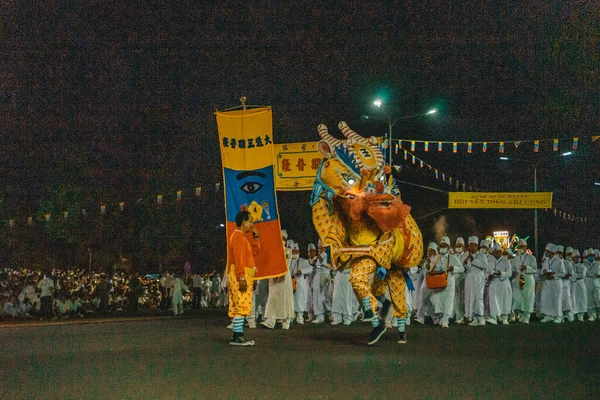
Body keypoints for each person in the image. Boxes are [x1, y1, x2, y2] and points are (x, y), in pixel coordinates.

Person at [227, 211, 260, 346]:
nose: (252, 224)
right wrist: (241, 278)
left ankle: (237, 334)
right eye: (250, 221)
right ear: (243, 222)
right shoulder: (238, 237)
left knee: (240, 305)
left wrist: (256, 237)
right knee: (241, 305)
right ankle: (237, 336)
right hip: (240, 275)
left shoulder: (242, 237)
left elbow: (254, 252)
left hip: (243, 274)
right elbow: (239, 260)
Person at [261, 231, 295, 330]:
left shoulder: (287, 251)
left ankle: (286, 321)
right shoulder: (272, 251)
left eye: (283, 239)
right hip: (273, 278)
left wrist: (278, 274)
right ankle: (270, 321)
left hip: (283, 278)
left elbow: (286, 264)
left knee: (285, 299)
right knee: (272, 298)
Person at [428, 236, 464, 328]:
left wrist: (454, 268)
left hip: (448, 283)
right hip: (437, 283)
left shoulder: (453, 258)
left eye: (444, 246)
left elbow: (462, 268)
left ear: (448, 247)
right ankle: (439, 316)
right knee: (437, 300)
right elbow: (430, 268)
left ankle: (445, 319)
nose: (442, 247)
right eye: (441, 246)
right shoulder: (436, 258)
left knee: (448, 301)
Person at [510, 239, 537, 324]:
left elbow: (535, 269)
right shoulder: (516, 258)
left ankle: (526, 317)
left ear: (525, 247)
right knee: (518, 299)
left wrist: (526, 268)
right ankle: (521, 315)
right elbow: (513, 268)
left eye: (522, 247)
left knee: (528, 299)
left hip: (528, 280)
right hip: (518, 279)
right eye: (519, 247)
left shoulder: (531, 257)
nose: (520, 248)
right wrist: (513, 272)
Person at [486, 242, 512, 325]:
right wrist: (489, 276)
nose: (495, 254)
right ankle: (494, 317)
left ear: (500, 252)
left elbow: (509, 273)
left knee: (504, 300)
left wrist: (501, 274)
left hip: (503, 283)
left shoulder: (506, 262)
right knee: (493, 300)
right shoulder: (490, 262)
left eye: (497, 252)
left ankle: (504, 318)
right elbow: (486, 273)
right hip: (493, 283)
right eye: (494, 252)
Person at [465, 236, 488, 326]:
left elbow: (485, 266)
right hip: (470, 279)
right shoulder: (468, 256)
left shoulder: (482, 256)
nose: (470, 247)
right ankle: (474, 317)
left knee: (478, 298)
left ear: (476, 245)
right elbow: (468, 269)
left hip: (478, 279)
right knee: (471, 298)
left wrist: (473, 261)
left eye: (471, 245)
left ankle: (481, 318)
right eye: (469, 245)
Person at [540, 243, 565, 323]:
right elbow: (542, 271)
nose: (545, 253)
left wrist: (554, 276)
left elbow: (563, 273)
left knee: (556, 300)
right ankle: (548, 315)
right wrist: (544, 272)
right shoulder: (546, 261)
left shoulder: (559, 261)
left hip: (556, 283)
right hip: (547, 283)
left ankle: (558, 316)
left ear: (551, 252)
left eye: (547, 251)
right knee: (546, 299)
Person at [289, 242, 313, 324]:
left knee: (299, 300)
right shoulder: (288, 261)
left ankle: (300, 318)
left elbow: (310, 268)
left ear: (299, 252)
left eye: (296, 251)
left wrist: (302, 271)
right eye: (293, 251)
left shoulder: (303, 261)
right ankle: (291, 317)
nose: (294, 253)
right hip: (290, 282)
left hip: (300, 281)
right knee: (290, 300)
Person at [415, 242, 438, 325]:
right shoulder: (427, 259)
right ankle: (420, 317)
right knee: (422, 300)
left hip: (434, 283)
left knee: (434, 301)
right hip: (425, 282)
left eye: (431, 251)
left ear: (435, 251)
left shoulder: (437, 259)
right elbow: (425, 270)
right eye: (428, 251)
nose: (429, 253)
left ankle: (435, 318)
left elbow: (432, 269)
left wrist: (428, 263)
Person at [309, 242, 332, 324]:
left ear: (325, 248)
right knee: (317, 296)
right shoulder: (317, 257)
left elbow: (330, 266)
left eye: (321, 248)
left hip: (324, 276)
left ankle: (328, 313)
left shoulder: (327, 256)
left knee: (323, 297)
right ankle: (321, 315)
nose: (319, 250)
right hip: (317, 276)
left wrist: (321, 260)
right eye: (318, 248)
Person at [453, 237, 469, 324]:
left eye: (460, 246)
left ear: (463, 247)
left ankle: (465, 315)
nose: (458, 247)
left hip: (463, 278)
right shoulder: (454, 256)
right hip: (454, 278)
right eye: (457, 245)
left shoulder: (466, 256)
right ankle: (458, 316)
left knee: (463, 298)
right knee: (456, 298)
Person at [570, 249, 588, 322]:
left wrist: (574, 275)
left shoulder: (582, 266)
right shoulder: (570, 265)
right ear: (572, 258)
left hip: (580, 285)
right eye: (576, 257)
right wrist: (575, 276)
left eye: (578, 257)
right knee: (572, 300)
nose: (577, 258)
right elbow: (569, 275)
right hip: (572, 285)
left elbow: (582, 275)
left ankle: (580, 316)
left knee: (581, 300)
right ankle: (573, 315)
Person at [584, 248, 600, 321]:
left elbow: (597, 272)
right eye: (589, 255)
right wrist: (590, 273)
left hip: (596, 284)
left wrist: (588, 273)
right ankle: (591, 316)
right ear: (587, 256)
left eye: (592, 255)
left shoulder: (598, 263)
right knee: (589, 301)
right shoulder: (584, 264)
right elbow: (584, 273)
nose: (591, 256)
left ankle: (599, 314)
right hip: (587, 284)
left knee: (598, 299)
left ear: (594, 255)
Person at [560, 246, 574, 322]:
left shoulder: (567, 263)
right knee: (562, 300)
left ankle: (570, 315)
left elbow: (571, 274)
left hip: (568, 284)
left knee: (568, 300)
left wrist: (564, 276)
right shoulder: (559, 262)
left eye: (570, 254)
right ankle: (562, 315)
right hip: (560, 285)